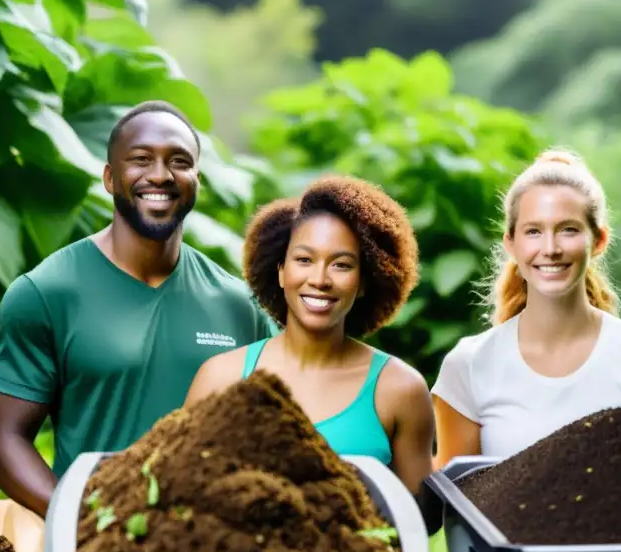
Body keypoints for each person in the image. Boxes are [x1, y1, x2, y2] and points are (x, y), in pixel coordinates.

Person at [0, 100, 274, 552]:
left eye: (179, 161)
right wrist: (81, 516)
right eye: (139, 160)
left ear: (198, 178)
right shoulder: (46, 293)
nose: (159, 175)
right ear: (110, 177)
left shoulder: (235, 305)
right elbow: (5, 441)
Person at [430, 148, 621, 470]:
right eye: (533, 231)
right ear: (511, 243)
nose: (550, 249)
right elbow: (456, 502)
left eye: (568, 229)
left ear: (598, 241)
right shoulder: (469, 364)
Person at [184, 175, 434, 496]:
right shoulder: (221, 377)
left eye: (341, 265)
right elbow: (182, 491)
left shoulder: (400, 390)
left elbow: (420, 519)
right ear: (280, 271)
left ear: (365, 283)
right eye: (304, 260)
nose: (319, 279)